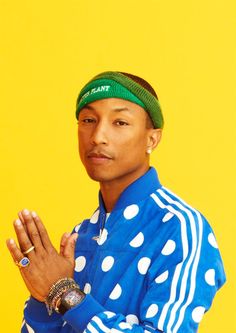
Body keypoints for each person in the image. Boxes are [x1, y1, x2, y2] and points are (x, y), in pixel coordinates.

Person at [7, 71, 226, 333]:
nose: (98, 136)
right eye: (88, 120)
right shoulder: (80, 235)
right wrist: (43, 295)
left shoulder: (182, 229)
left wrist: (64, 292)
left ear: (152, 139)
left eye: (120, 122)